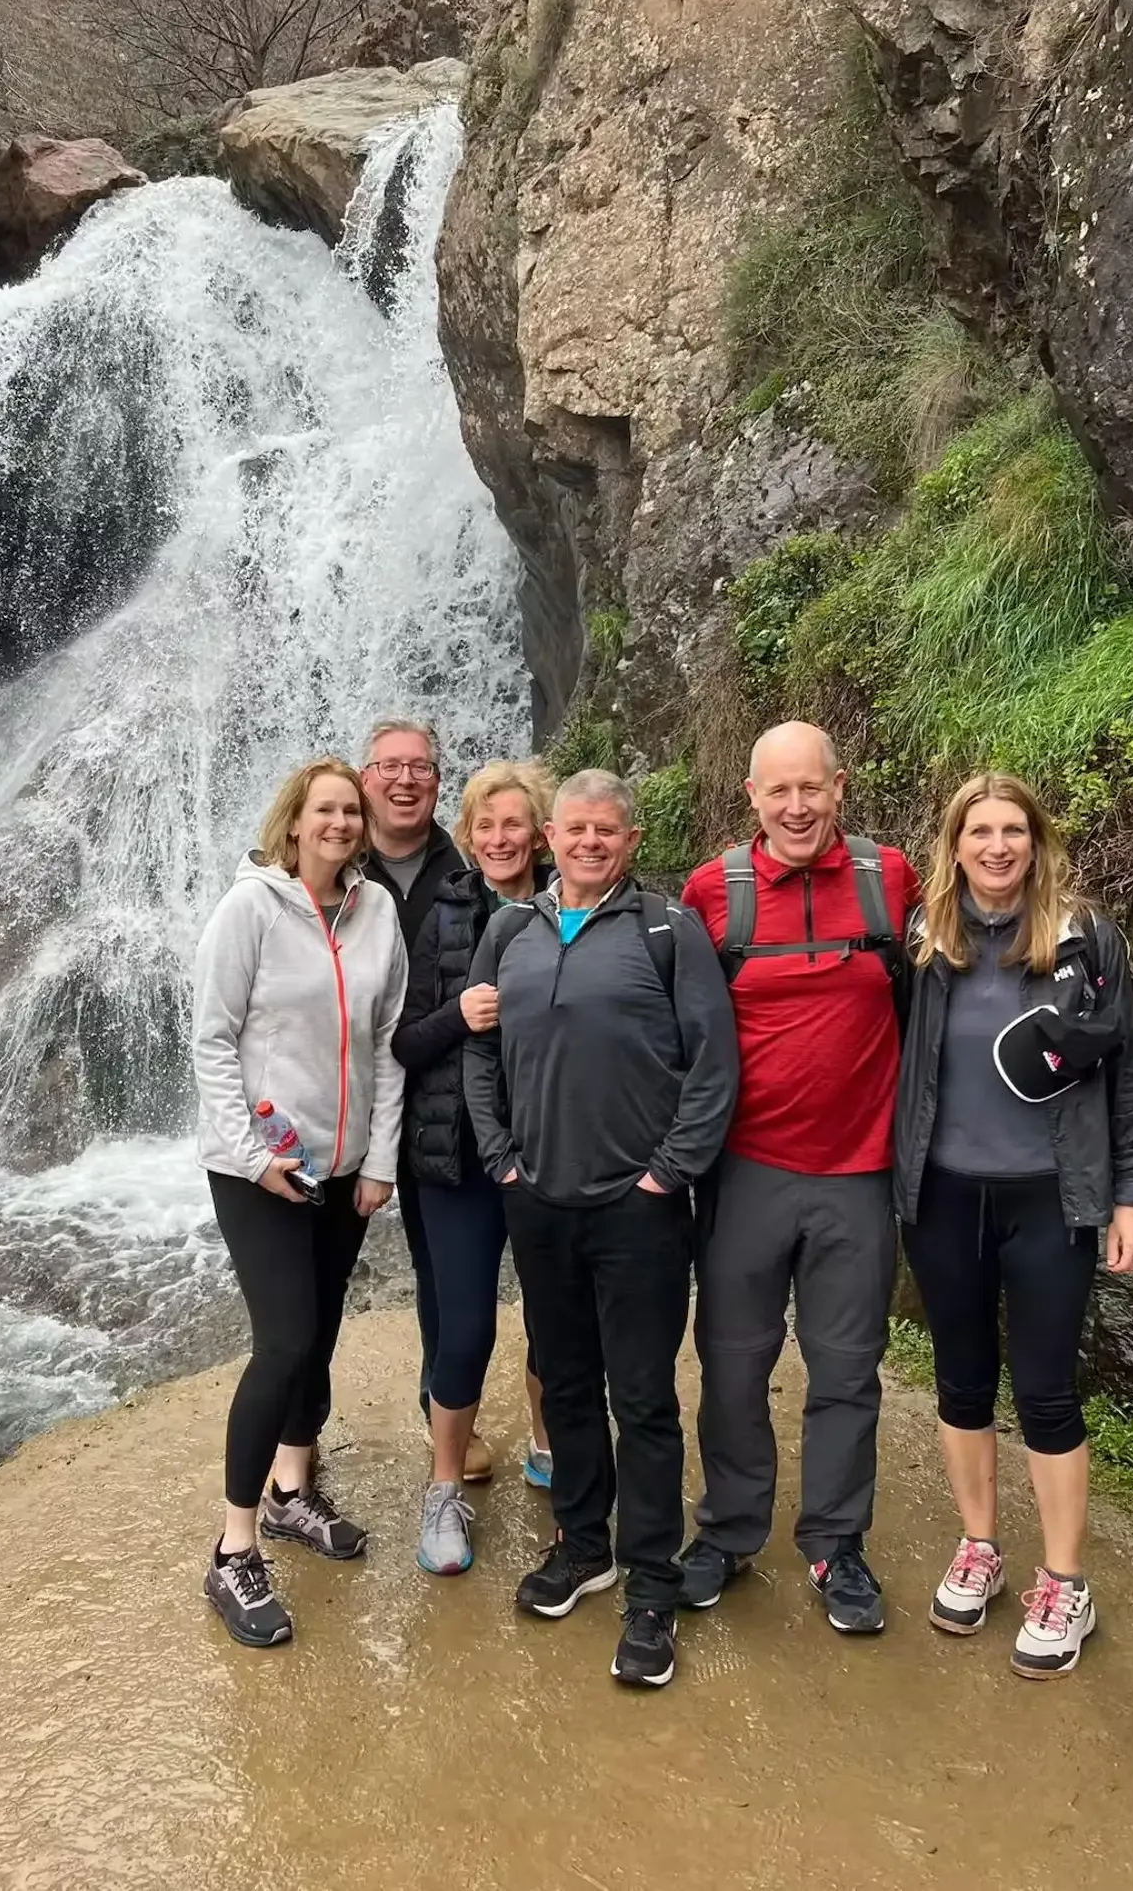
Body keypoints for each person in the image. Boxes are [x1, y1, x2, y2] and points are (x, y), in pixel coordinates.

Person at [465, 769, 738, 1689]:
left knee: (645, 1396)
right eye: (574, 829)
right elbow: (479, 1052)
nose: (589, 843)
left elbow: (714, 1064)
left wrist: (670, 1172)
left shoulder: (668, 930)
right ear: (550, 833)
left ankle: (654, 1581)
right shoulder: (511, 929)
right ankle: (586, 1545)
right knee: (567, 1381)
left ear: (629, 837)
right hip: (538, 1200)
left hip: (640, 1207)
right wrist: (500, 1155)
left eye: (606, 831)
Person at [894, 772, 1133, 1678]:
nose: (997, 846)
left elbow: (1126, 1071)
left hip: (1050, 1195)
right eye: (980, 832)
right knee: (962, 1384)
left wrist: (1131, 1194)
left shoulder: (1086, 941)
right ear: (954, 845)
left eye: (1014, 830)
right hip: (945, 1193)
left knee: (1046, 1391)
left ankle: (1064, 1581)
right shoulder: (925, 940)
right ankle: (978, 1545)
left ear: (1037, 842)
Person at [679, 721, 919, 1634]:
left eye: (810, 788)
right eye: (777, 791)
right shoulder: (713, 892)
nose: (795, 806)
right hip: (744, 1172)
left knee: (847, 1372)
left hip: (859, 1172)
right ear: (751, 796)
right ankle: (731, 1531)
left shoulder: (887, 878)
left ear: (839, 786)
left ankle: (835, 1543)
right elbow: (672, 1028)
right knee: (733, 1364)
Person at [193, 757, 407, 1649]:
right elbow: (209, 1038)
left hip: (344, 1165)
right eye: (326, 809)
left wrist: (380, 1160)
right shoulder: (249, 909)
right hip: (260, 1171)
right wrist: (251, 1155)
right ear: (294, 820)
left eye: (351, 811)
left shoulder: (377, 910)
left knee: (315, 1339)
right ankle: (234, 1547)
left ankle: (291, 1493)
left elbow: (389, 1041)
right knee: (282, 1343)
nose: (342, 823)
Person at [392, 759, 556, 1575]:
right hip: (455, 1157)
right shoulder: (444, 914)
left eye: (513, 824)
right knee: (464, 1327)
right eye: (484, 825)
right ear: (467, 833)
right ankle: (444, 1486)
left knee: (556, 1319)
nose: (499, 838)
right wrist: (458, 1014)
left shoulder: (575, 907)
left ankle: (548, 1448)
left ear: (541, 831)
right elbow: (405, 1039)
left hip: (552, 1149)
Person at [358, 719, 488, 1478]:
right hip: (354, 1092)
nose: (406, 780)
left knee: (443, 1269)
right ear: (365, 775)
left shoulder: (467, 860)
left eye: (421, 768)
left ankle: (442, 1410)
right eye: (390, 767)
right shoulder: (335, 856)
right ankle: (293, 1451)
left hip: (442, 1096)